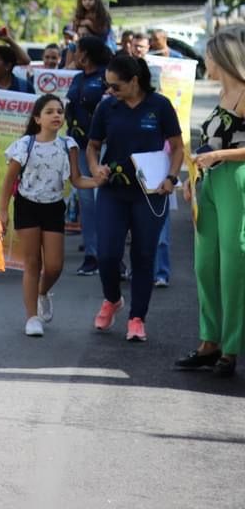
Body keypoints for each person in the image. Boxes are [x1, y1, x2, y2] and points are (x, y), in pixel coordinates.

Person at [87, 54, 183, 342]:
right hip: (113, 190)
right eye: (108, 86)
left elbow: (177, 147)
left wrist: (172, 178)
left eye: (116, 86)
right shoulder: (107, 107)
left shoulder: (160, 106)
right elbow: (92, 146)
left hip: (150, 192)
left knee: (144, 254)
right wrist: (95, 168)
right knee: (107, 254)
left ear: (135, 81)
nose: (110, 92)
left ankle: (137, 318)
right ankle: (112, 299)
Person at [175, 30, 245, 377]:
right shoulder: (221, 93)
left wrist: (220, 154)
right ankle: (210, 340)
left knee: (233, 265)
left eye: (210, 57)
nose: (207, 63)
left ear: (224, 58)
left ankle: (230, 349)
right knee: (205, 264)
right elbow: (207, 146)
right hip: (212, 181)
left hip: (237, 180)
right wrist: (192, 177)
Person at [0, 94, 97, 337]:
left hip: (53, 207)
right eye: (50, 111)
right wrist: (2, 210)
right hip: (27, 205)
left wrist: (97, 181)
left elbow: (76, 179)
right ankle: (32, 317)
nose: (56, 115)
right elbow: (9, 180)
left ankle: (42, 293)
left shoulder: (69, 145)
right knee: (32, 263)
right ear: (37, 118)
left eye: (59, 112)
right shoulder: (24, 145)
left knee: (54, 266)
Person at [64, 35, 112, 276]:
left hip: (104, 148)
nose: (75, 55)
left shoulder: (106, 77)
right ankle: (92, 254)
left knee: (105, 199)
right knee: (87, 202)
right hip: (80, 146)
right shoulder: (77, 78)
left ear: (87, 53)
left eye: (78, 50)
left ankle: (110, 254)